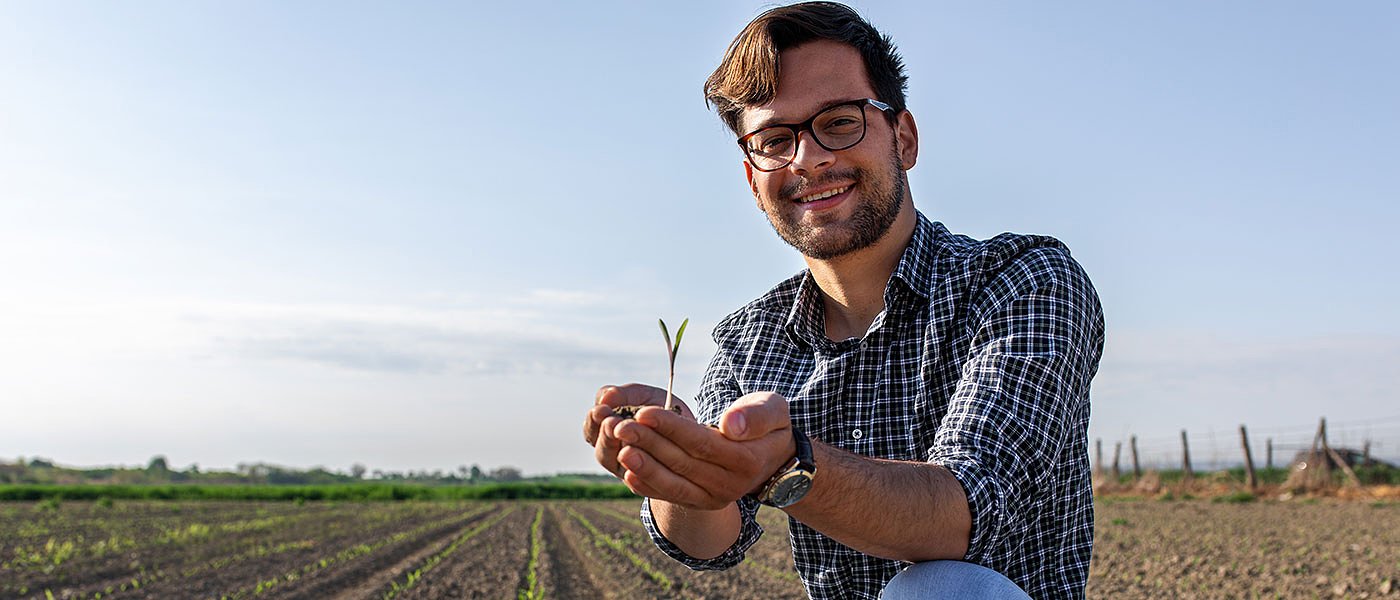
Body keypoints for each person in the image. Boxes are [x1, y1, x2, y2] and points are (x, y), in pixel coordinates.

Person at [582, 2, 1104, 598]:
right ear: (753, 181)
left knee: (944, 587)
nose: (808, 158)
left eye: (839, 122)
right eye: (775, 139)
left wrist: (789, 465)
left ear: (902, 138)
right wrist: (685, 471)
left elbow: (959, 511)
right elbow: (710, 544)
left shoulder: (1024, 281)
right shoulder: (751, 338)